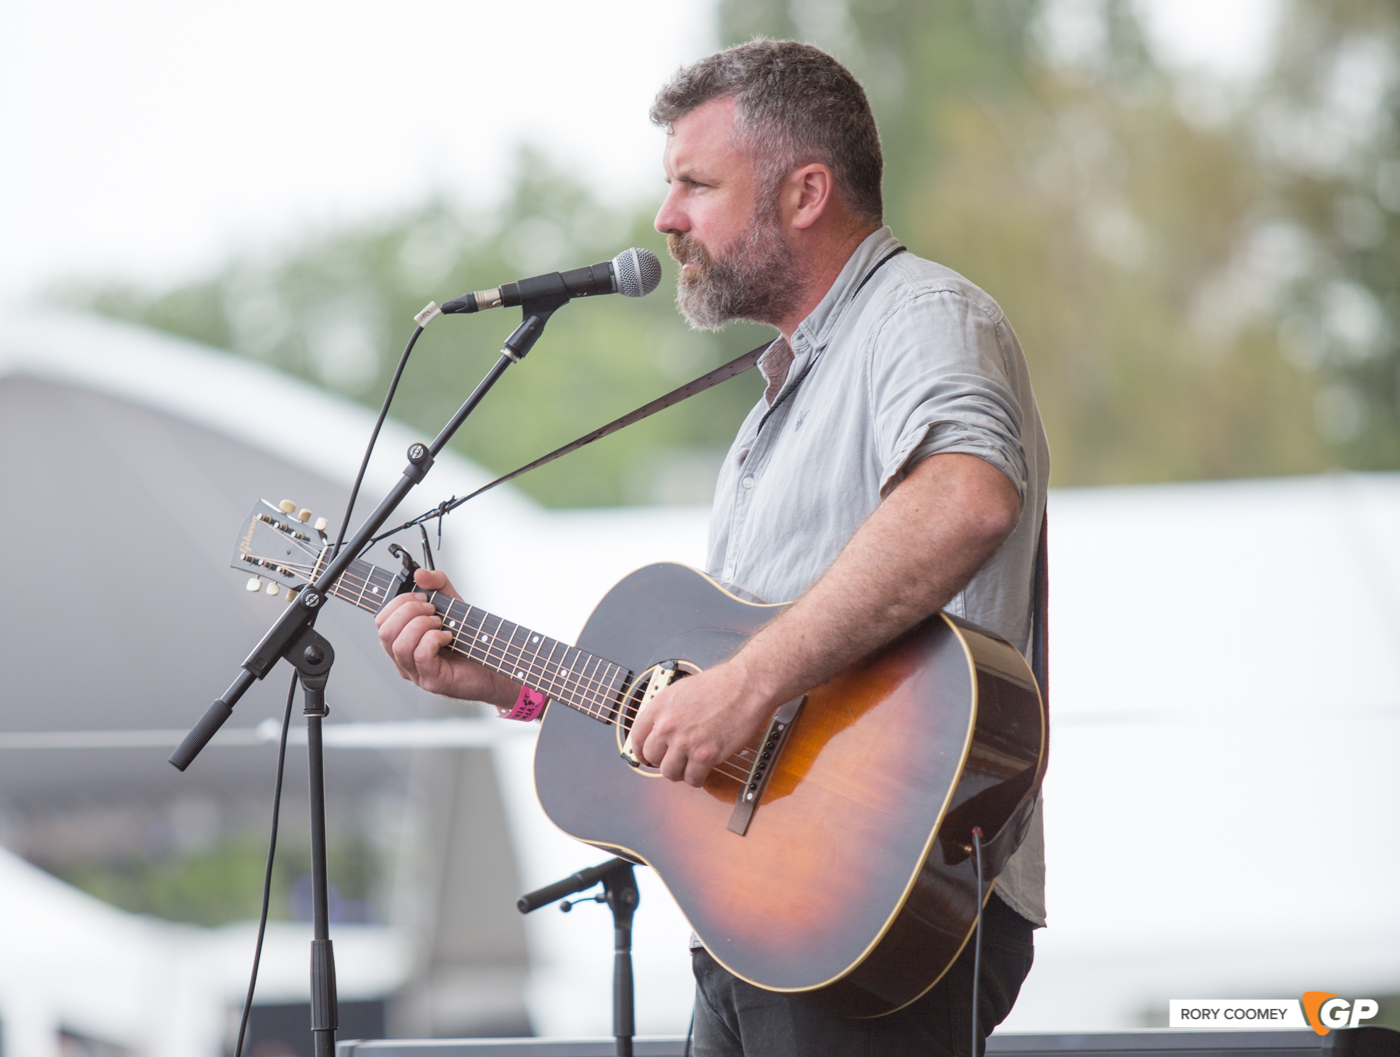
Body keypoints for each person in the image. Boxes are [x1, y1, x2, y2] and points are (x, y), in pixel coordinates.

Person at [376, 40, 1048, 1057]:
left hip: (879, 904)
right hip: (762, 919)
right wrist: (508, 684)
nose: (665, 217)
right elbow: (717, 718)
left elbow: (962, 500)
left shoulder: (921, 316)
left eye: (694, 183)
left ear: (805, 192)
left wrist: (744, 684)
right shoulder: (769, 412)